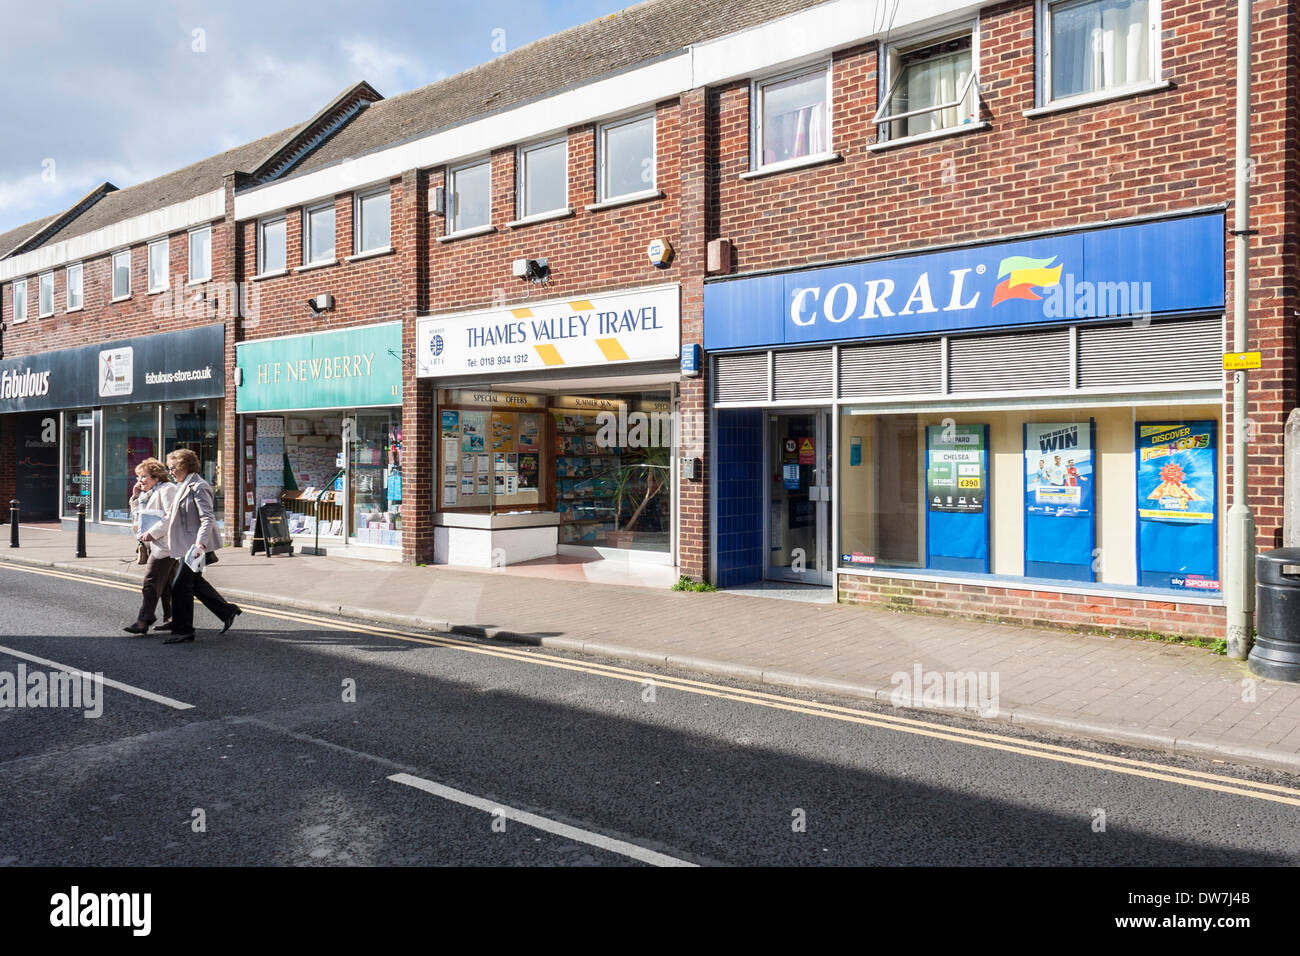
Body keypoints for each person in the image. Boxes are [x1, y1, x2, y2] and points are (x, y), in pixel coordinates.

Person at [147, 448, 240, 644]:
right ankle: (227, 611)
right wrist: (152, 532)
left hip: (196, 548)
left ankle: (184, 630)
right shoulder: (182, 485)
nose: (170, 472)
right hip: (185, 546)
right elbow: (169, 516)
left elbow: (207, 519)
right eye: (169, 468)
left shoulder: (199, 486)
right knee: (194, 584)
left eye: (173, 468)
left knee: (180, 586)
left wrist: (200, 544)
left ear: (185, 466)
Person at [123, 458, 178, 635]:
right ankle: (172, 618)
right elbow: (138, 518)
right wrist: (136, 497)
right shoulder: (147, 493)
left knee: (151, 582)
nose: (140, 481)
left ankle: (143, 620)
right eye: (138, 477)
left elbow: (171, 516)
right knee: (168, 584)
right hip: (155, 544)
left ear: (156, 477)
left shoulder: (167, 489)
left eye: (143, 477)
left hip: (165, 545)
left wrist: (153, 533)